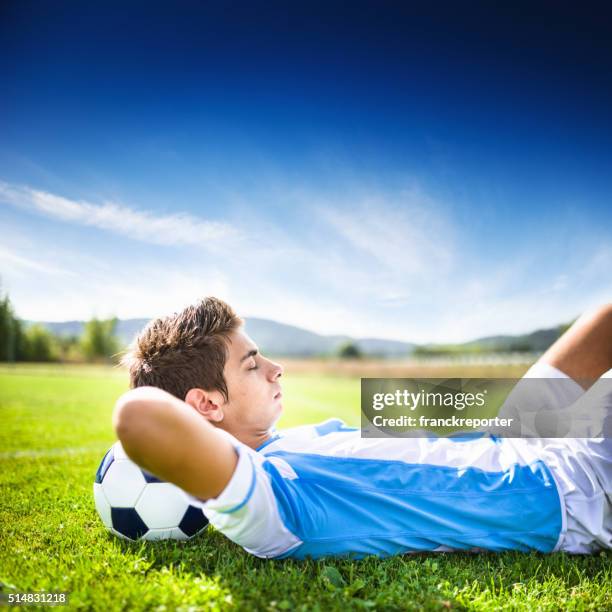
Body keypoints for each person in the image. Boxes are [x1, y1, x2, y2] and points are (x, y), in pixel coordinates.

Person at [113, 298, 612, 559]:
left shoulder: (291, 439)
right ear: (206, 403)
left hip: (514, 437)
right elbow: (141, 418)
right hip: (571, 485)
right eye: (250, 365)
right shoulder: (270, 506)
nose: (275, 367)